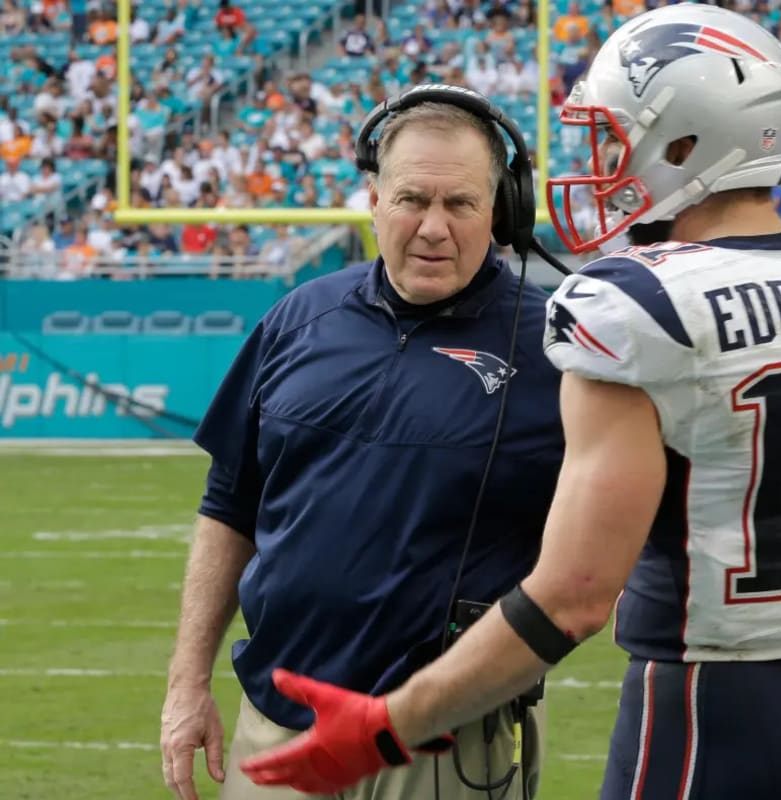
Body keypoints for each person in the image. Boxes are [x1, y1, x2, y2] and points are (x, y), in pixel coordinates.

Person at [239, 7, 781, 800]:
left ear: (686, 143)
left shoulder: (636, 302)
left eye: (616, 137)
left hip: (710, 709)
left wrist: (384, 726)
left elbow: (570, 599)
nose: (600, 163)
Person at [160, 94, 565, 800]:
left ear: (500, 212)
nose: (433, 228)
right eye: (411, 199)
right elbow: (230, 503)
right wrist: (187, 683)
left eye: (460, 204)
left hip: (439, 745)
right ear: (373, 199)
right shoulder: (299, 315)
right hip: (276, 730)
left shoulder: (556, 345)